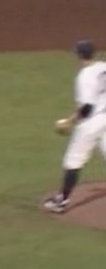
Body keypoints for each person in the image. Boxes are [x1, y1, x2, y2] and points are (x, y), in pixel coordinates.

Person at [42, 41, 106, 214]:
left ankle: (61, 201)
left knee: (73, 160)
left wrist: (68, 122)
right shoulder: (103, 67)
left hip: (92, 123)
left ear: (78, 55)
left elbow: (87, 108)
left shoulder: (85, 76)